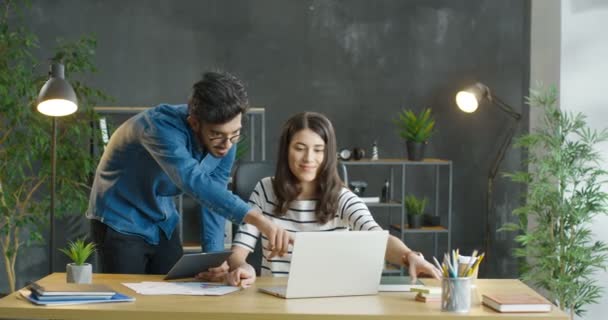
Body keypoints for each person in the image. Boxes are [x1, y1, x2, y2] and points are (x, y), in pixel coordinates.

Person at [86, 71, 290, 274]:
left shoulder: (226, 138)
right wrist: (260, 220)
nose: (227, 145)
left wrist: (215, 259)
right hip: (119, 219)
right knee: (128, 301)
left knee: (176, 293)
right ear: (194, 123)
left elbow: (214, 196)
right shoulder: (159, 127)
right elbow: (194, 181)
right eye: (217, 135)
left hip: (162, 219)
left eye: (235, 134)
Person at [223, 112, 442, 287]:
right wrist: (244, 268)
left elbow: (377, 236)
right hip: (276, 296)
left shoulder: (341, 197)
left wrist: (409, 256)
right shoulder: (265, 189)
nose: (309, 158)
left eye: (318, 150)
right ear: (286, 150)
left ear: (328, 155)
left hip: (330, 296)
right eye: (300, 148)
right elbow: (239, 249)